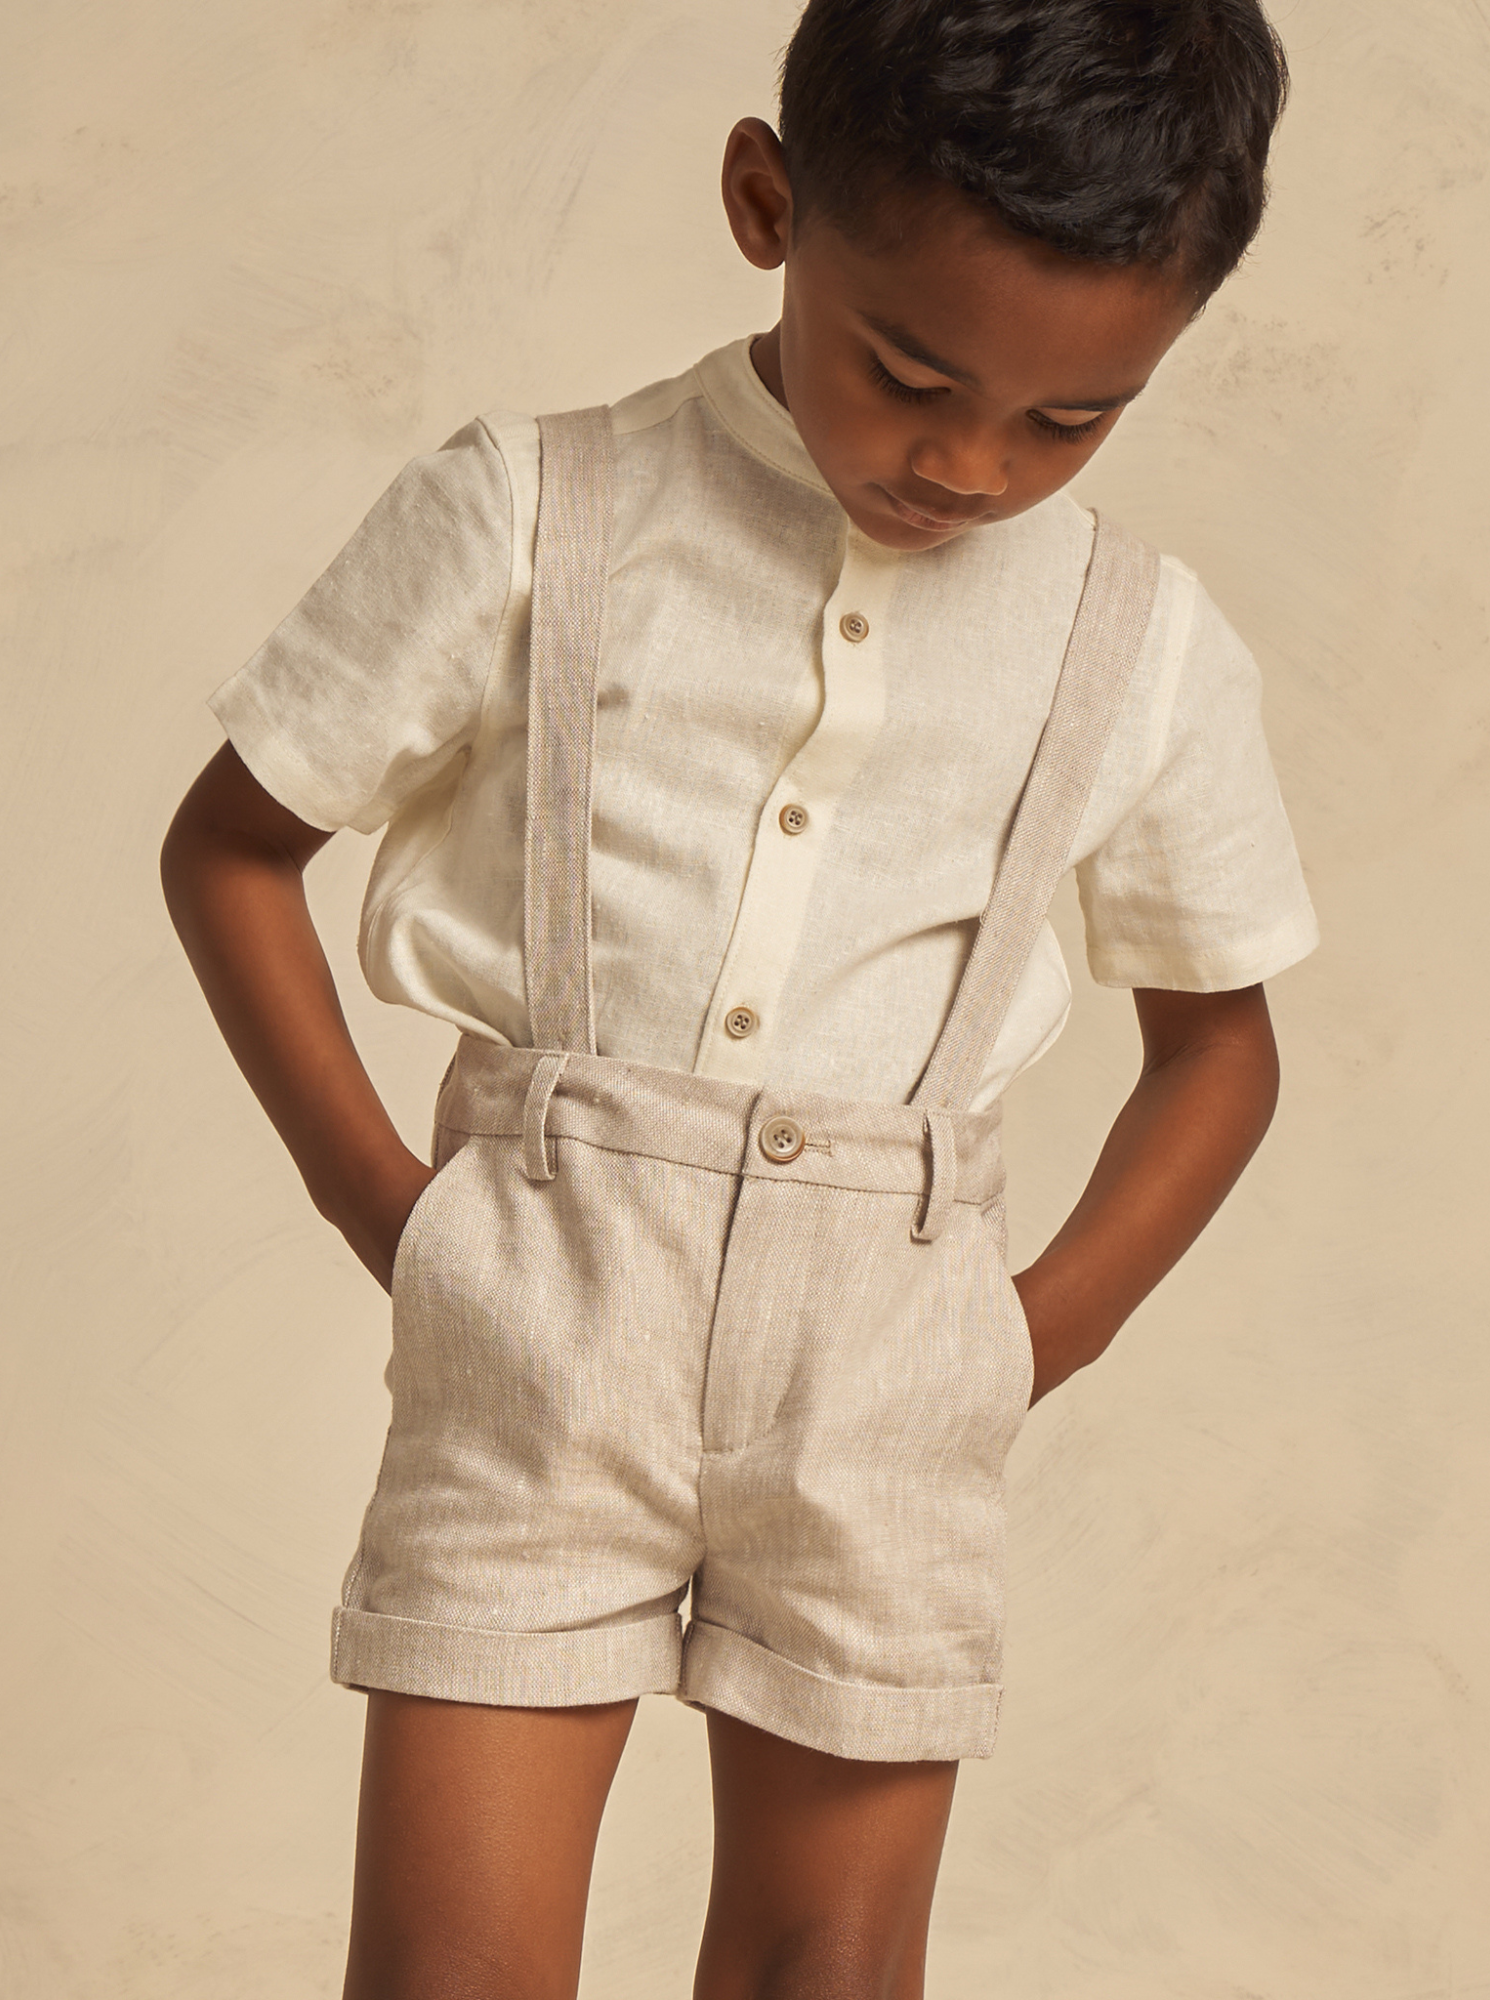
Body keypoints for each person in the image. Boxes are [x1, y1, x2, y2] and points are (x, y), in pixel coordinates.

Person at [160, 1, 1317, 1993]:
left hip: (892, 1352)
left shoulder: (1138, 642)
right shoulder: (532, 508)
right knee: (448, 1968)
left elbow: (1221, 1043)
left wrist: (1019, 1340)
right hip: (542, 1304)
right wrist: (403, 1218)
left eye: (1070, 419)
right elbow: (232, 851)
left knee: (828, 1967)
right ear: (765, 203)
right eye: (910, 374)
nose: (968, 466)